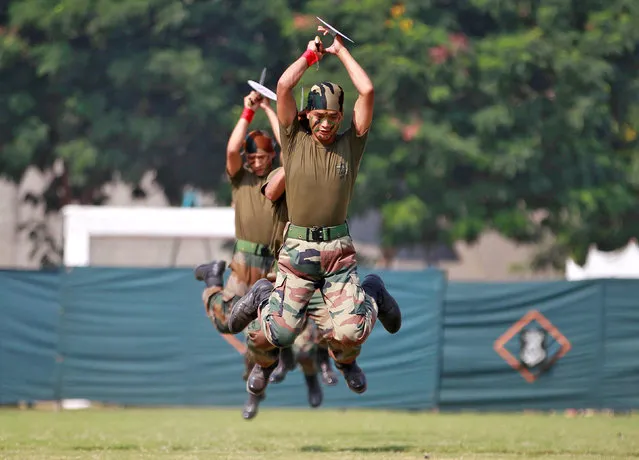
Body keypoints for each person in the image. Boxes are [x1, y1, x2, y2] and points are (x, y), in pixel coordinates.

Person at [229, 27, 402, 395]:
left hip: (337, 250)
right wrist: (310, 57)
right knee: (280, 332)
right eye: (320, 115)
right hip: (296, 249)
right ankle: (263, 303)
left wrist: (340, 52)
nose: (327, 123)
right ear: (308, 116)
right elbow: (284, 87)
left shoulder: (350, 144)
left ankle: (373, 294)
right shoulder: (293, 139)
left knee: (352, 329)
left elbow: (368, 91)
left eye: (334, 117)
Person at [193, 91, 294, 409]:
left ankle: (256, 387)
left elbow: (294, 150)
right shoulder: (241, 179)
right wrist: (247, 113)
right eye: (252, 158)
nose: (255, 161)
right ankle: (213, 279)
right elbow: (231, 149)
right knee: (226, 322)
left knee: (267, 327)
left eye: (262, 156)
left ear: (273, 156)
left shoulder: (282, 177)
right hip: (242, 262)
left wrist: (269, 108)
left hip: (273, 265)